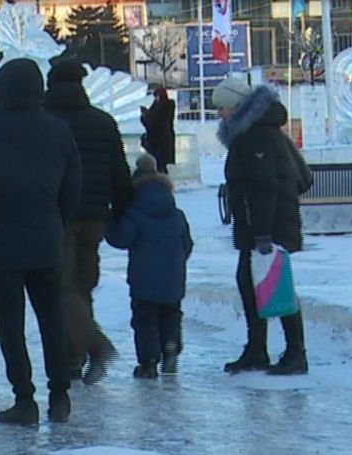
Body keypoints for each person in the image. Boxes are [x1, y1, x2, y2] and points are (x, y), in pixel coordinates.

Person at [0, 59, 82, 425]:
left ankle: (25, 400)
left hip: (4, 245)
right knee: (52, 321)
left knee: (12, 328)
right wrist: (56, 224)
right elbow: (72, 186)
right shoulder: (58, 130)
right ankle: (59, 396)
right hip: (46, 240)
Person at [44, 60, 134, 385]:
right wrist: (120, 210)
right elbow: (119, 172)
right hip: (96, 216)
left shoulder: (45, 121)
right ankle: (74, 359)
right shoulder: (102, 122)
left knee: (61, 288)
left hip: (59, 215)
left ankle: (93, 348)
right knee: (82, 286)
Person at [212, 78, 309, 376]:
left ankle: (294, 353)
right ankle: (259, 349)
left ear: (236, 106)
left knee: (275, 285)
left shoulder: (256, 135)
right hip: (261, 225)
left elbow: (265, 186)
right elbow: (301, 177)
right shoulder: (262, 131)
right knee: (254, 283)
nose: (220, 114)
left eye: (223, 107)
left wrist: (263, 232)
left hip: (266, 227)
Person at [105, 153, 193, 379]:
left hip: (144, 279)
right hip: (173, 277)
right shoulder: (177, 215)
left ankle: (149, 363)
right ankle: (171, 346)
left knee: (146, 321)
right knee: (171, 314)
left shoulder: (135, 215)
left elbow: (121, 239)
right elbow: (187, 245)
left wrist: (110, 220)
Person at [139, 87, 175, 174]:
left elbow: (159, 119)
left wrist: (147, 114)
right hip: (154, 138)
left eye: (157, 96)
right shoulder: (155, 105)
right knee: (156, 160)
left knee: (163, 161)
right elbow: (150, 121)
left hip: (164, 138)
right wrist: (144, 115)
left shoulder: (168, 104)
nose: (156, 98)